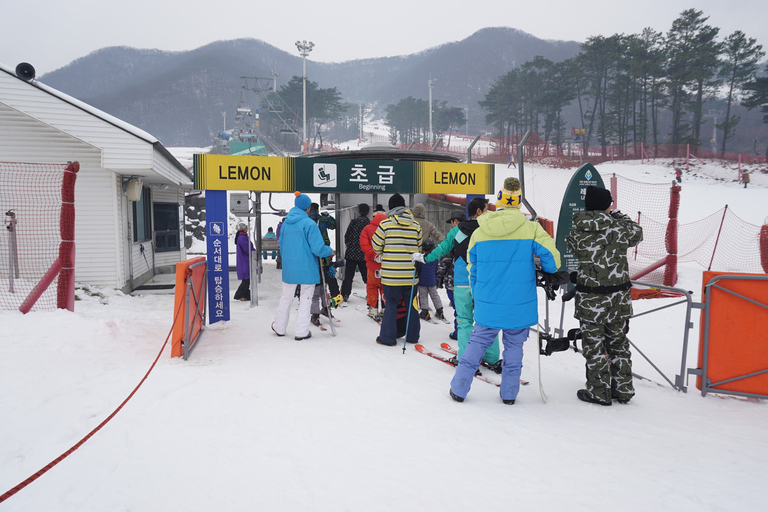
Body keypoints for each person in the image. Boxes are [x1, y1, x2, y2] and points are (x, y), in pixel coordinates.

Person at [448, 179, 560, 404]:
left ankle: (459, 389)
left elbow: (473, 267)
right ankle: (509, 394)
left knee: (476, 344)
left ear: (498, 201)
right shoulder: (531, 228)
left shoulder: (480, 232)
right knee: (514, 349)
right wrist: (549, 271)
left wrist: (479, 292)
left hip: (487, 300)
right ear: (519, 203)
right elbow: (552, 257)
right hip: (520, 302)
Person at [566, 185, 643, 405]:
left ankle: (599, 392)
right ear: (608, 205)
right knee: (618, 344)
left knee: (594, 347)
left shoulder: (577, 231)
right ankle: (624, 390)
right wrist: (616, 214)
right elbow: (637, 232)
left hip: (590, 301)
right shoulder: (620, 229)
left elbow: (574, 248)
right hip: (618, 299)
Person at [413, 199, 501, 369]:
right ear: (479, 211)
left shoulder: (458, 231)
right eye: (486, 208)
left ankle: (465, 357)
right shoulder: (489, 229)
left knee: (464, 319)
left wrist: (424, 258)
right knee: (488, 320)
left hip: (462, 282)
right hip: (484, 281)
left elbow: (442, 249)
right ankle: (491, 357)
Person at [272, 193, 333, 340]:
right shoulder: (309, 224)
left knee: (286, 298)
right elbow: (318, 249)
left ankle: (279, 327)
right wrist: (329, 251)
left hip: (290, 269)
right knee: (305, 300)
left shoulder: (286, 224)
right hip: (308, 270)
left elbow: (281, 244)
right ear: (307, 208)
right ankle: (301, 331)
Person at [371, 193, 422, 346]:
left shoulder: (385, 225)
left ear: (391, 208)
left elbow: (376, 246)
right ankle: (412, 336)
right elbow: (418, 248)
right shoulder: (416, 226)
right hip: (411, 275)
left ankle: (388, 338)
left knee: (391, 305)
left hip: (391, 275)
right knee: (411, 305)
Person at [308, 203, 342, 324]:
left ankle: (315, 314)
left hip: (311, 257)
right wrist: (328, 217)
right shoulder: (321, 219)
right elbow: (333, 225)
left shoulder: (306, 220)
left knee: (316, 286)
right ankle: (326, 308)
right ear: (317, 209)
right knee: (324, 284)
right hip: (325, 255)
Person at [360, 205, 387, 318]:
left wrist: (374, 256)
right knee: (385, 287)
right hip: (387, 265)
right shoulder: (389, 228)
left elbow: (364, 245)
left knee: (372, 286)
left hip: (372, 265)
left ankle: (373, 309)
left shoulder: (367, 229)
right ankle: (386, 309)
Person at [340, 203, 370, 301]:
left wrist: (349, 245)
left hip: (351, 254)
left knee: (348, 276)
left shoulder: (353, 222)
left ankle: (345, 294)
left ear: (359, 211)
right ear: (368, 212)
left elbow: (347, 236)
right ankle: (370, 294)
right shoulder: (368, 223)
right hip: (363, 254)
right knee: (367, 276)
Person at [416, 238, 444, 321]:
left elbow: (418, 270)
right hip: (432, 281)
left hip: (422, 281)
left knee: (423, 295)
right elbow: (436, 269)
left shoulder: (421, 259)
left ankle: (425, 312)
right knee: (435, 295)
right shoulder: (435, 258)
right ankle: (440, 310)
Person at [233, 222, 255, 301]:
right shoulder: (243, 238)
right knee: (246, 280)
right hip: (245, 261)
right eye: (246, 227)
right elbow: (248, 249)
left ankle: (245, 294)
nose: (247, 228)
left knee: (246, 280)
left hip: (244, 261)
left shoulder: (242, 237)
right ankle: (239, 294)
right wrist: (255, 253)